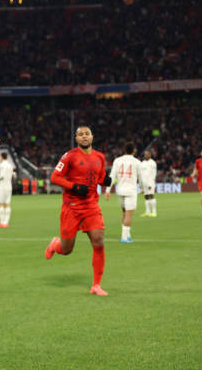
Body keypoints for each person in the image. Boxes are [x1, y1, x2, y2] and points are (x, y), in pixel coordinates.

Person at [44, 126, 112, 296]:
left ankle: (96, 285)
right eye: (80, 134)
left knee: (99, 241)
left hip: (91, 206)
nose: (84, 136)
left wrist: (105, 180)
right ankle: (55, 245)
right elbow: (55, 177)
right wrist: (73, 186)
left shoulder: (100, 157)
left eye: (87, 134)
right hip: (71, 207)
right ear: (76, 138)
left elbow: (99, 177)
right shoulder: (69, 156)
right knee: (67, 250)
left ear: (92, 136)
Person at [104, 142, 143, 243]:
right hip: (131, 191)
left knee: (124, 213)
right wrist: (143, 188)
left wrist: (108, 190)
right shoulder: (137, 162)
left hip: (120, 191)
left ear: (124, 150)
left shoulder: (117, 160)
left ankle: (127, 235)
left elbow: (112, 176)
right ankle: (124, 237)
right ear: (134, 151)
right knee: (129, 215)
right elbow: (141, 178)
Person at [0, 152, 15, 228]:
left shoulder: (2, 165)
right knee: (7, 204)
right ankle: (6, 222)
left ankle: (2, 222)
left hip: (3, 186)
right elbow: (13, 174)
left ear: (1, 157)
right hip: (9, 186)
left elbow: (2, 176)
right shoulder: (10, 165)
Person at [140, 150, 157, 217]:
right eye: (145, 154)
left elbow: (154, 174)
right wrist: (141, 185)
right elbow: (141, 174)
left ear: (150, 155)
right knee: (146, 196)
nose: (146, 155)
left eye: (147, 154)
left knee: (151, 195)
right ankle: (147, 211)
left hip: (150, 182)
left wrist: (150, 183)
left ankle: (154, 212)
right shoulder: (142, 163)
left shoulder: (152, 163)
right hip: (144, 183)